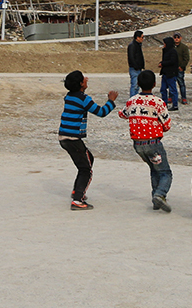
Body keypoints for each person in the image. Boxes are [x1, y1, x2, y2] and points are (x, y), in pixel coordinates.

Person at [58, 70, 118, 210]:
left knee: (88, 159)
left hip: (64, 137)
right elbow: (101, 112)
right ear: (80, 84)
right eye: (84, 79)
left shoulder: (69, 96)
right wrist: (111, 101)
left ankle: (77, 191)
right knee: (86, 169)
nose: (87, 79)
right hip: (73, 138)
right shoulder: (83, 98)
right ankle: (77, 200)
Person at [119, 70, 173, 212]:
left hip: (138, 144)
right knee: (165, 172)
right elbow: (167, 125)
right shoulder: (158, 102)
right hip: (153, 143)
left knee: (154, 169)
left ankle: (156, 199)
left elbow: (122, 114)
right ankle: (160, 194)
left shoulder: (132, 101)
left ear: (138, 83)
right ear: (154, 84)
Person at [159, 36, 179, 110]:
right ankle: (164, 104)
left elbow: (172, 61)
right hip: (165, 73)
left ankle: (175, 104)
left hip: (171, 73)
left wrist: (163, 64)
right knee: (163, 89)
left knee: (173, 90)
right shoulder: (166, 50)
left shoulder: (173, 51)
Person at [174, 32, 191, 105]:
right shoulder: (171, 47)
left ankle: (183, 97)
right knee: (171, 84)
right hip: (172, 69)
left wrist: (182, 66)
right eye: (175, 37)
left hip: (180, 69)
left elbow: (186, 58)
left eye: (178, 37)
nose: (176, 39)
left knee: (181, 83)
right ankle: (172, 97)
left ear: (181, 38)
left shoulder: (184, 47)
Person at [127, 30, 145, 97]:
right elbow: (131, 57)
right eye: (142, 37)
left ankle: (135, 98)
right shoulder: (132, 46)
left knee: (137, 86)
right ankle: (132, 99)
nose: (143, 39)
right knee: (134, 85)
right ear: (137, 37)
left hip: (138, 68)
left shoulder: (138, 45)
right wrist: (136, 66)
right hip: (135, 69)